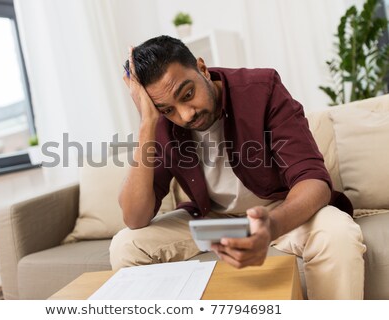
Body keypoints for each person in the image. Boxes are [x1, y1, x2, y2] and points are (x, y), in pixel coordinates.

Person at [109, 35, 366, 299]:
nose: (185, 115)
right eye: (168, 109)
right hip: (213, 219)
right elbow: (134, 218)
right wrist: (147, 123)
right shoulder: (161, 122)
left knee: (337, 233)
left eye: (187, 94)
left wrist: (271, 227)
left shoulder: (261, 88)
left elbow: (313, 180)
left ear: (202, 68)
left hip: (278, 208)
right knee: (126, 245)